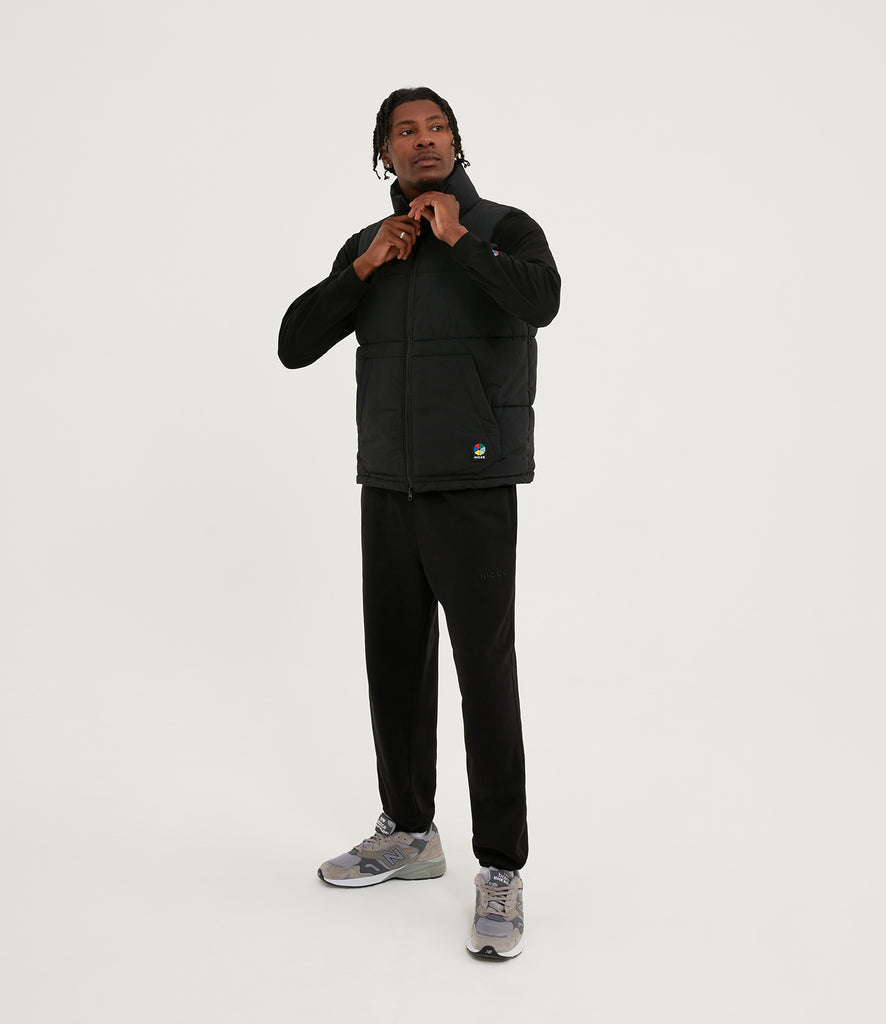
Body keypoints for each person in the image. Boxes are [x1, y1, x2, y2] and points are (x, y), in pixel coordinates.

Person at [278, 86, 560, 959]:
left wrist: (459, 241)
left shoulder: (505, 228)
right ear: (385, 155)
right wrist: (365, 266)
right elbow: (294, 344)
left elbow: (542, 301)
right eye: (406, 131)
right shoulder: (371, 245)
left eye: (437, 127)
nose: (424, 140)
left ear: (457, 143)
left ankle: (501, 867)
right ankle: (408, 831)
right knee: (395, 667)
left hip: (474, 485)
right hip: (389, 486)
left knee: (485, 675)